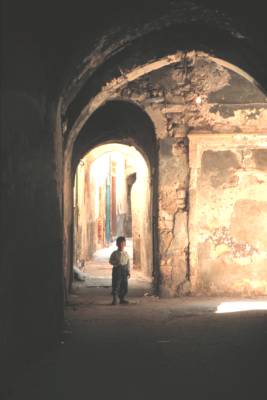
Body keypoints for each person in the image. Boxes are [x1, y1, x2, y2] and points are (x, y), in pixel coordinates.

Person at [109, 236, 131, 305]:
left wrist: (128, 271)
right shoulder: (114, 253)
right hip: (117, 270)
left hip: (124, 270)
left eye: (122, 243)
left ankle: (122, 298)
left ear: (124, 244)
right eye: (119, 244)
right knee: (116, 284)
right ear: (117, 244)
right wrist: (116, 263)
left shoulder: (126, 254)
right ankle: (115, 299)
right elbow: (110, 261)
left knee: (124, 285)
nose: (121, 245)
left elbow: (128, 263)